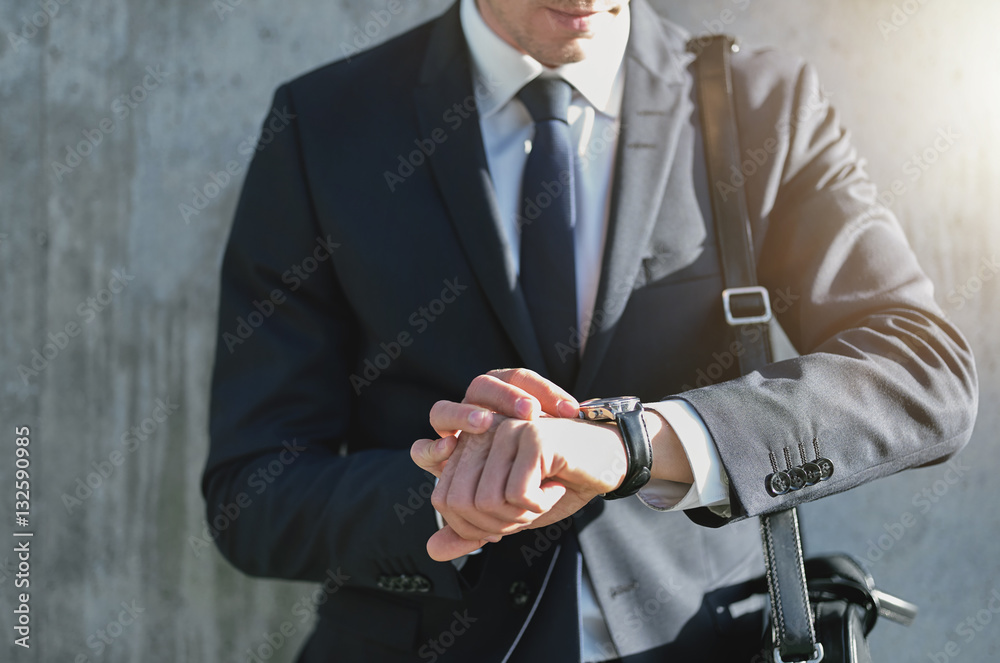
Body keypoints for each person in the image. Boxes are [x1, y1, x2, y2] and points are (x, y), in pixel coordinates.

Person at [203, 0, 978, 661]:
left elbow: (922, 371)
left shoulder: (762, 104)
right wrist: (451, 498)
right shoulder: (326, 125)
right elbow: (252, 489)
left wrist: (634, 444)